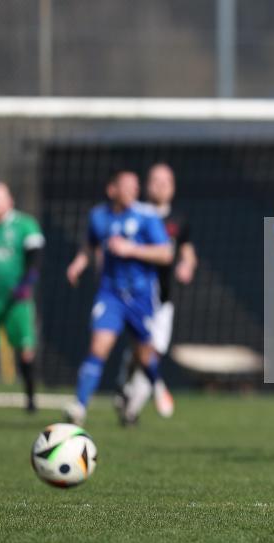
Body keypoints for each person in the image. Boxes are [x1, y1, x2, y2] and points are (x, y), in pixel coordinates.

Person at [64, 169, 173, 425]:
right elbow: (89, 245)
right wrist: (79, 263)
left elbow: (166, 254)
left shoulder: (146, 216)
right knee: (98, 347)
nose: (133, 191)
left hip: (141, 295)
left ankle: (157, 384)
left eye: (136, 187)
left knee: (144, 354)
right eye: (127, 186)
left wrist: (131, 249)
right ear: (112, 189)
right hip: (110, 293)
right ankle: (79, 406)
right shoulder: (98, 216)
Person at [118, 163, 197, 423]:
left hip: (163, 298)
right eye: (156, 180)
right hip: (134, 295)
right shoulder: (133, 215)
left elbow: (187, 252)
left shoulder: (179, 220)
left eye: (167, 181)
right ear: (146, 184)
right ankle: (131, 405)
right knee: (144, 350)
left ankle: (129, 401)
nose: (161, 185)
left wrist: (187, 265)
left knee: (152, 351)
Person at [0, 182, 44, 412]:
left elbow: (36, 259)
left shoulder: (25, 225)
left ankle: (30, 400)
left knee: (26, 350)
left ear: (10, 200)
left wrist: (26, 283)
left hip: (17, 298)